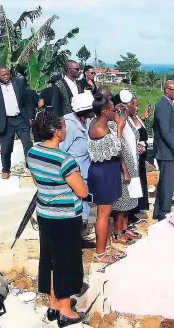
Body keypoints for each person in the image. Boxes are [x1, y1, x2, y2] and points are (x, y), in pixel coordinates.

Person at [27, 111, 88, 326]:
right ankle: (65, 310)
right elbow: (81, 191)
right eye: (63, 125)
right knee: (66, 262)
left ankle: (53, 304)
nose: (66, 128)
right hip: (65, 216)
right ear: (55, 131)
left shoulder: (32, 152)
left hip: (45, 213)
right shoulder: (64, 159)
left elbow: (36, 180)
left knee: (50, 260)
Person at [87, 88, 127, 263]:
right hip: (103, 173)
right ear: (104, 112)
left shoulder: (99, 123)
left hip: (107, 170)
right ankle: (100, 253)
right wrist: (119, 127)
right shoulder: (98, 129)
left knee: (107, 211)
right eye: (112, 110)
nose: (115, 112)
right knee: (103, 213)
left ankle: (107, 245)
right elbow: (117, 147)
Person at [0, 65, 34, 180]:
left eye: (8, 74)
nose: (6, 76)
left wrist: (31, 116)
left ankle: (30, 168)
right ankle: (6, 169)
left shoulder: (18, 83)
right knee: (6, 148)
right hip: (5, 122)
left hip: (21, 119)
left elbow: (27, 101)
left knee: (27, 144)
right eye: (3, 75)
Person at [59, 92, 96, 248]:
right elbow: (61, 152)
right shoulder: (69, 125)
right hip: (74, 177)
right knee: (76, 212)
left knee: (84, 211)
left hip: (86, 175)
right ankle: (72, 245)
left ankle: (79, 240)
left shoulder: (86, 122)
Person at [110, 90, 142, 245]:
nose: (135, 107)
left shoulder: (128, 119)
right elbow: (118, 146)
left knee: (129, 200)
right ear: (123, 106)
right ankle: (117, 232)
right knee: (121, 201)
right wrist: (125, 169)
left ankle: (124, 228)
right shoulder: (116, 122)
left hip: (133, 163)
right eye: (132, 104)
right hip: (123, 167)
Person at [152, 80, 174, 221]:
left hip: (169, 152)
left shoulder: (169, 104)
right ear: (167, 90)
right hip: (167, 152)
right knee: (167, 183)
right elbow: (166, 132)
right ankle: (164, 213)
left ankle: (159, 211)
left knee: (166, 182)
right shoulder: (163, 106)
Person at [128, 94, 150, 225]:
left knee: (141, 181)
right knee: (134, 183)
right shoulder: (127, 121)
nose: (136, 108)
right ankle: (131, 212)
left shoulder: (137, 119)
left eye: (137, 105)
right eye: (134, 105)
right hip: (133, 156)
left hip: (142, 156)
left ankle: (140, 206)